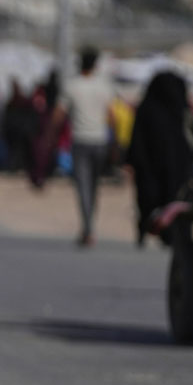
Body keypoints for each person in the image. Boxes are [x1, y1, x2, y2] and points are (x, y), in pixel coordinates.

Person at [52, 46, 116, 247]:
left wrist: (49, 137)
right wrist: (115, 142)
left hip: (80, 141)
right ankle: (89, 227)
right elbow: (112, 116)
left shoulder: (72, 86)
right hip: (100, 141)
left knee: (83, 187)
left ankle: (88, 229)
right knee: (94, 186)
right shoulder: (104, 86)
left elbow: (58, 115)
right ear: (96, 64)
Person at [126, 71, 193, 246]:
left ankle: (155, 229)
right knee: (169, 195)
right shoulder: (176, 109)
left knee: (151, 198)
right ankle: (164, 232)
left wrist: (133, 161)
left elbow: (136, 139)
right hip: (170, 165)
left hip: (150, 165)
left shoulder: (148, 108)